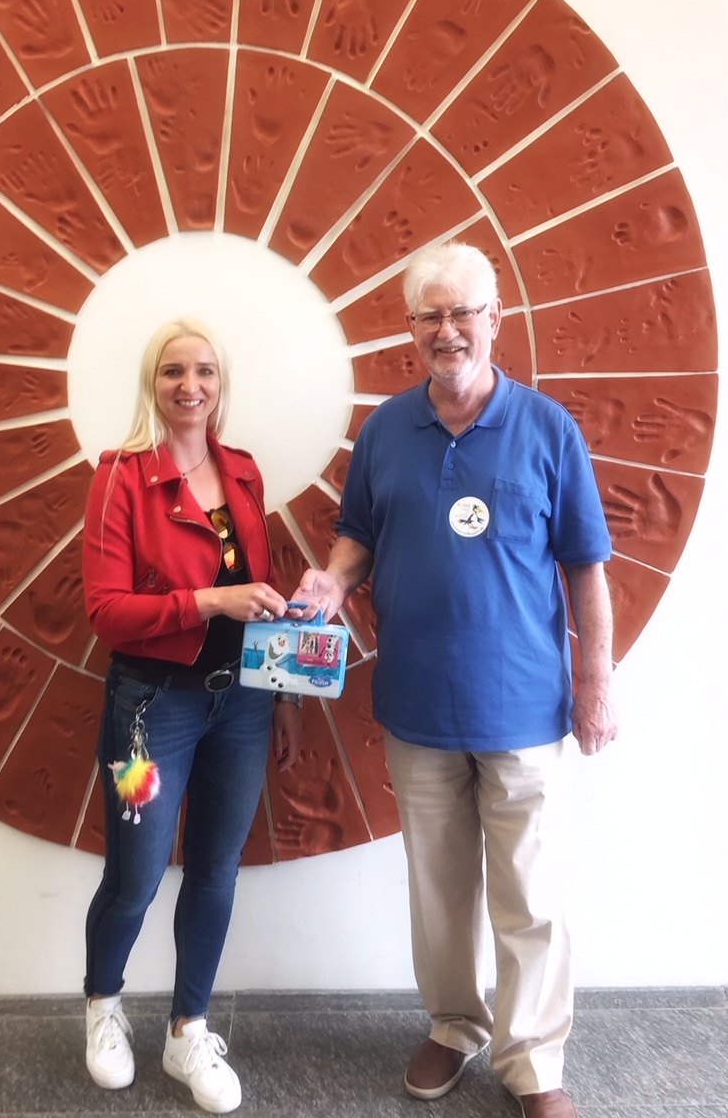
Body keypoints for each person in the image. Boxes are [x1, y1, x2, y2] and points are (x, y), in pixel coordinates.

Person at [294, 242, 617, 1118]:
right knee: (439, 890)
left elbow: (586, 567)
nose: (448, 331)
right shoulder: (383, 432)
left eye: (463, 312)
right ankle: (452, 1025)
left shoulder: (548, 429)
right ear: (411, 328)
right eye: (430, 315)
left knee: (530, 895)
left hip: (524, 705)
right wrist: (332, 581)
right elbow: (359, 538)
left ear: (494, 320)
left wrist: (595, 681)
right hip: (418, 702)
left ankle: (534, 1063)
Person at [81, 316, 303, 1115]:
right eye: (174, 370)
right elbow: (106, 612)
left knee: (215, 870)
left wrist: (281, 697)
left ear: (221, 382)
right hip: (147, 714)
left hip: (240, 707)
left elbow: (262, 602)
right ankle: (103, 1006)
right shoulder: (120, 478)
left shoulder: (242, 472)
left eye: (204, 370)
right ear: (153, 382)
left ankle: (188, 1030)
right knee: (135, 878)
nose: (190, 385)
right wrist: (209, 600)